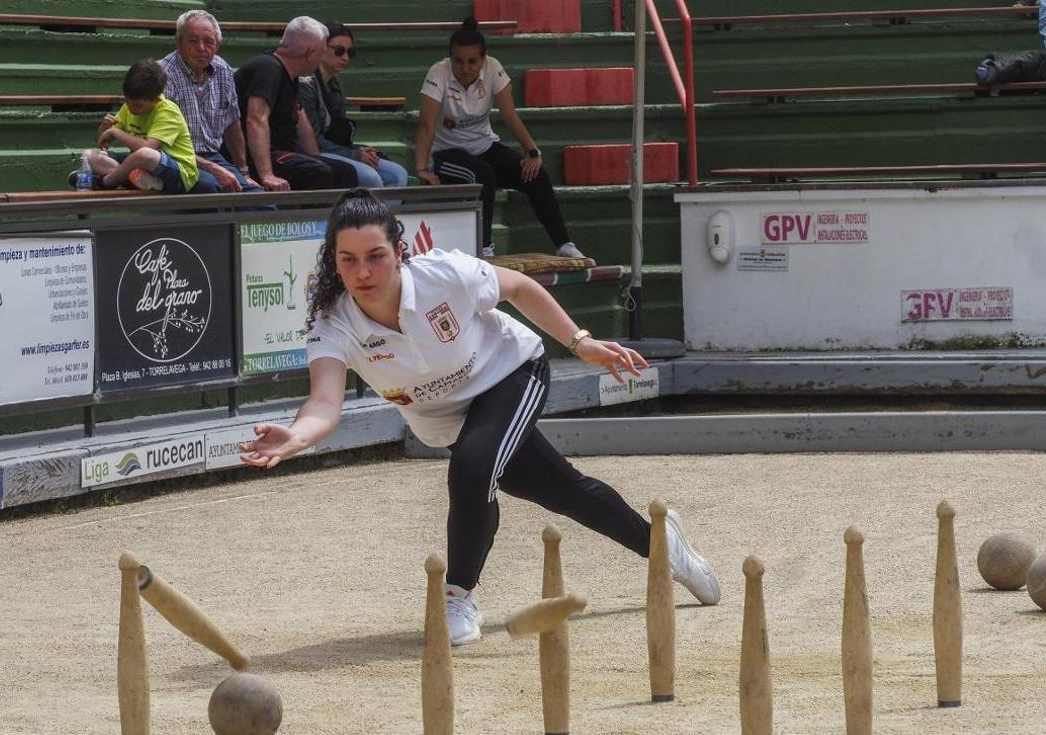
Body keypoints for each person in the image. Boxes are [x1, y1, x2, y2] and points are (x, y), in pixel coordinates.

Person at [239, 189, 720, 647]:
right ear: (334, 260)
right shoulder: (332, 322)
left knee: (471, 470)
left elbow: (520, 287)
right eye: (348, 260)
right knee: (566, 491)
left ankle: (457, 597)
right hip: (449, 418)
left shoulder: (444, 275)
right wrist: (295, 437)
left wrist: (581, 342)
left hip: (511, 372)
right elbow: (324, 403)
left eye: (375, 255)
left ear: (399, 251)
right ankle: (664, 547)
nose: (363, 271)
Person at [415, 17, 582, 259]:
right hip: (448, 153)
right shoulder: (438, 72)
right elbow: (426, 124)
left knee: (536, 174)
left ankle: (563, 243)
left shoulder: (493, 68)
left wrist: (532, 152)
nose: (465, 68)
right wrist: (422, 168)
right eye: (458, 61)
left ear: (483, 59)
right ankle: (484, 246)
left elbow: (510, 115)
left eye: (473, 61)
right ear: (450, 59)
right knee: (483, 175)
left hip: (485, 146)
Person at [233, 16, 358, 192]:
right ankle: (306, 220)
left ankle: (337, 219)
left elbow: (301, 122)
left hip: (283, 153)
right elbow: (255, 119)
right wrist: (267, 175)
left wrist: (316, 157)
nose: (322, 57)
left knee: (345, 172)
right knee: (318, 172)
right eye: (322, 52)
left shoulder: (292, 77)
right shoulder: (268, 68)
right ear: (310, 53)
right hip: (257, 157)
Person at [71, 58, 214, 194]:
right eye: (127, 101)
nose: (131, 108)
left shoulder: (168, 111)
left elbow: (148, 147)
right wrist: (104, 129)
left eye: (138, 105)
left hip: (179, 173)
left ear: (155, 100)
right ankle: (144, 181)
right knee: (89, 156)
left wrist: (116, 133)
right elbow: (102, 144)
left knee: (144, 154)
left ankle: (104, 183)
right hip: (142, 167)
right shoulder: (129, 107)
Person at [159, 10, 261, 193]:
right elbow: (164, 144)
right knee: (212, 188)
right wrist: (213, 169)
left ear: (217, 46)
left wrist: (243, 171)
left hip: (213, 155)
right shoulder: (162, 74)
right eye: (192, 41)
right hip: (175, 158)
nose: (201, 47)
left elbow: (232, 123)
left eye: (208, 42)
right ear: (178, 43)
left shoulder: (223, 69)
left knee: (254, 195)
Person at [299, 22, 409, 190]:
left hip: (336, 149)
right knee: (370, 178)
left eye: (350, 52)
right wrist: (355, 155)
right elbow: (312, 141)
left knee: (398, 174)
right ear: (321, 48)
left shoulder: (335, 83)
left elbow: (338, 134)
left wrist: (361, 150)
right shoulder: (306, 84)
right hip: (314, 152)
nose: (345, 57)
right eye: (339, 51)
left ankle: (378, 216)